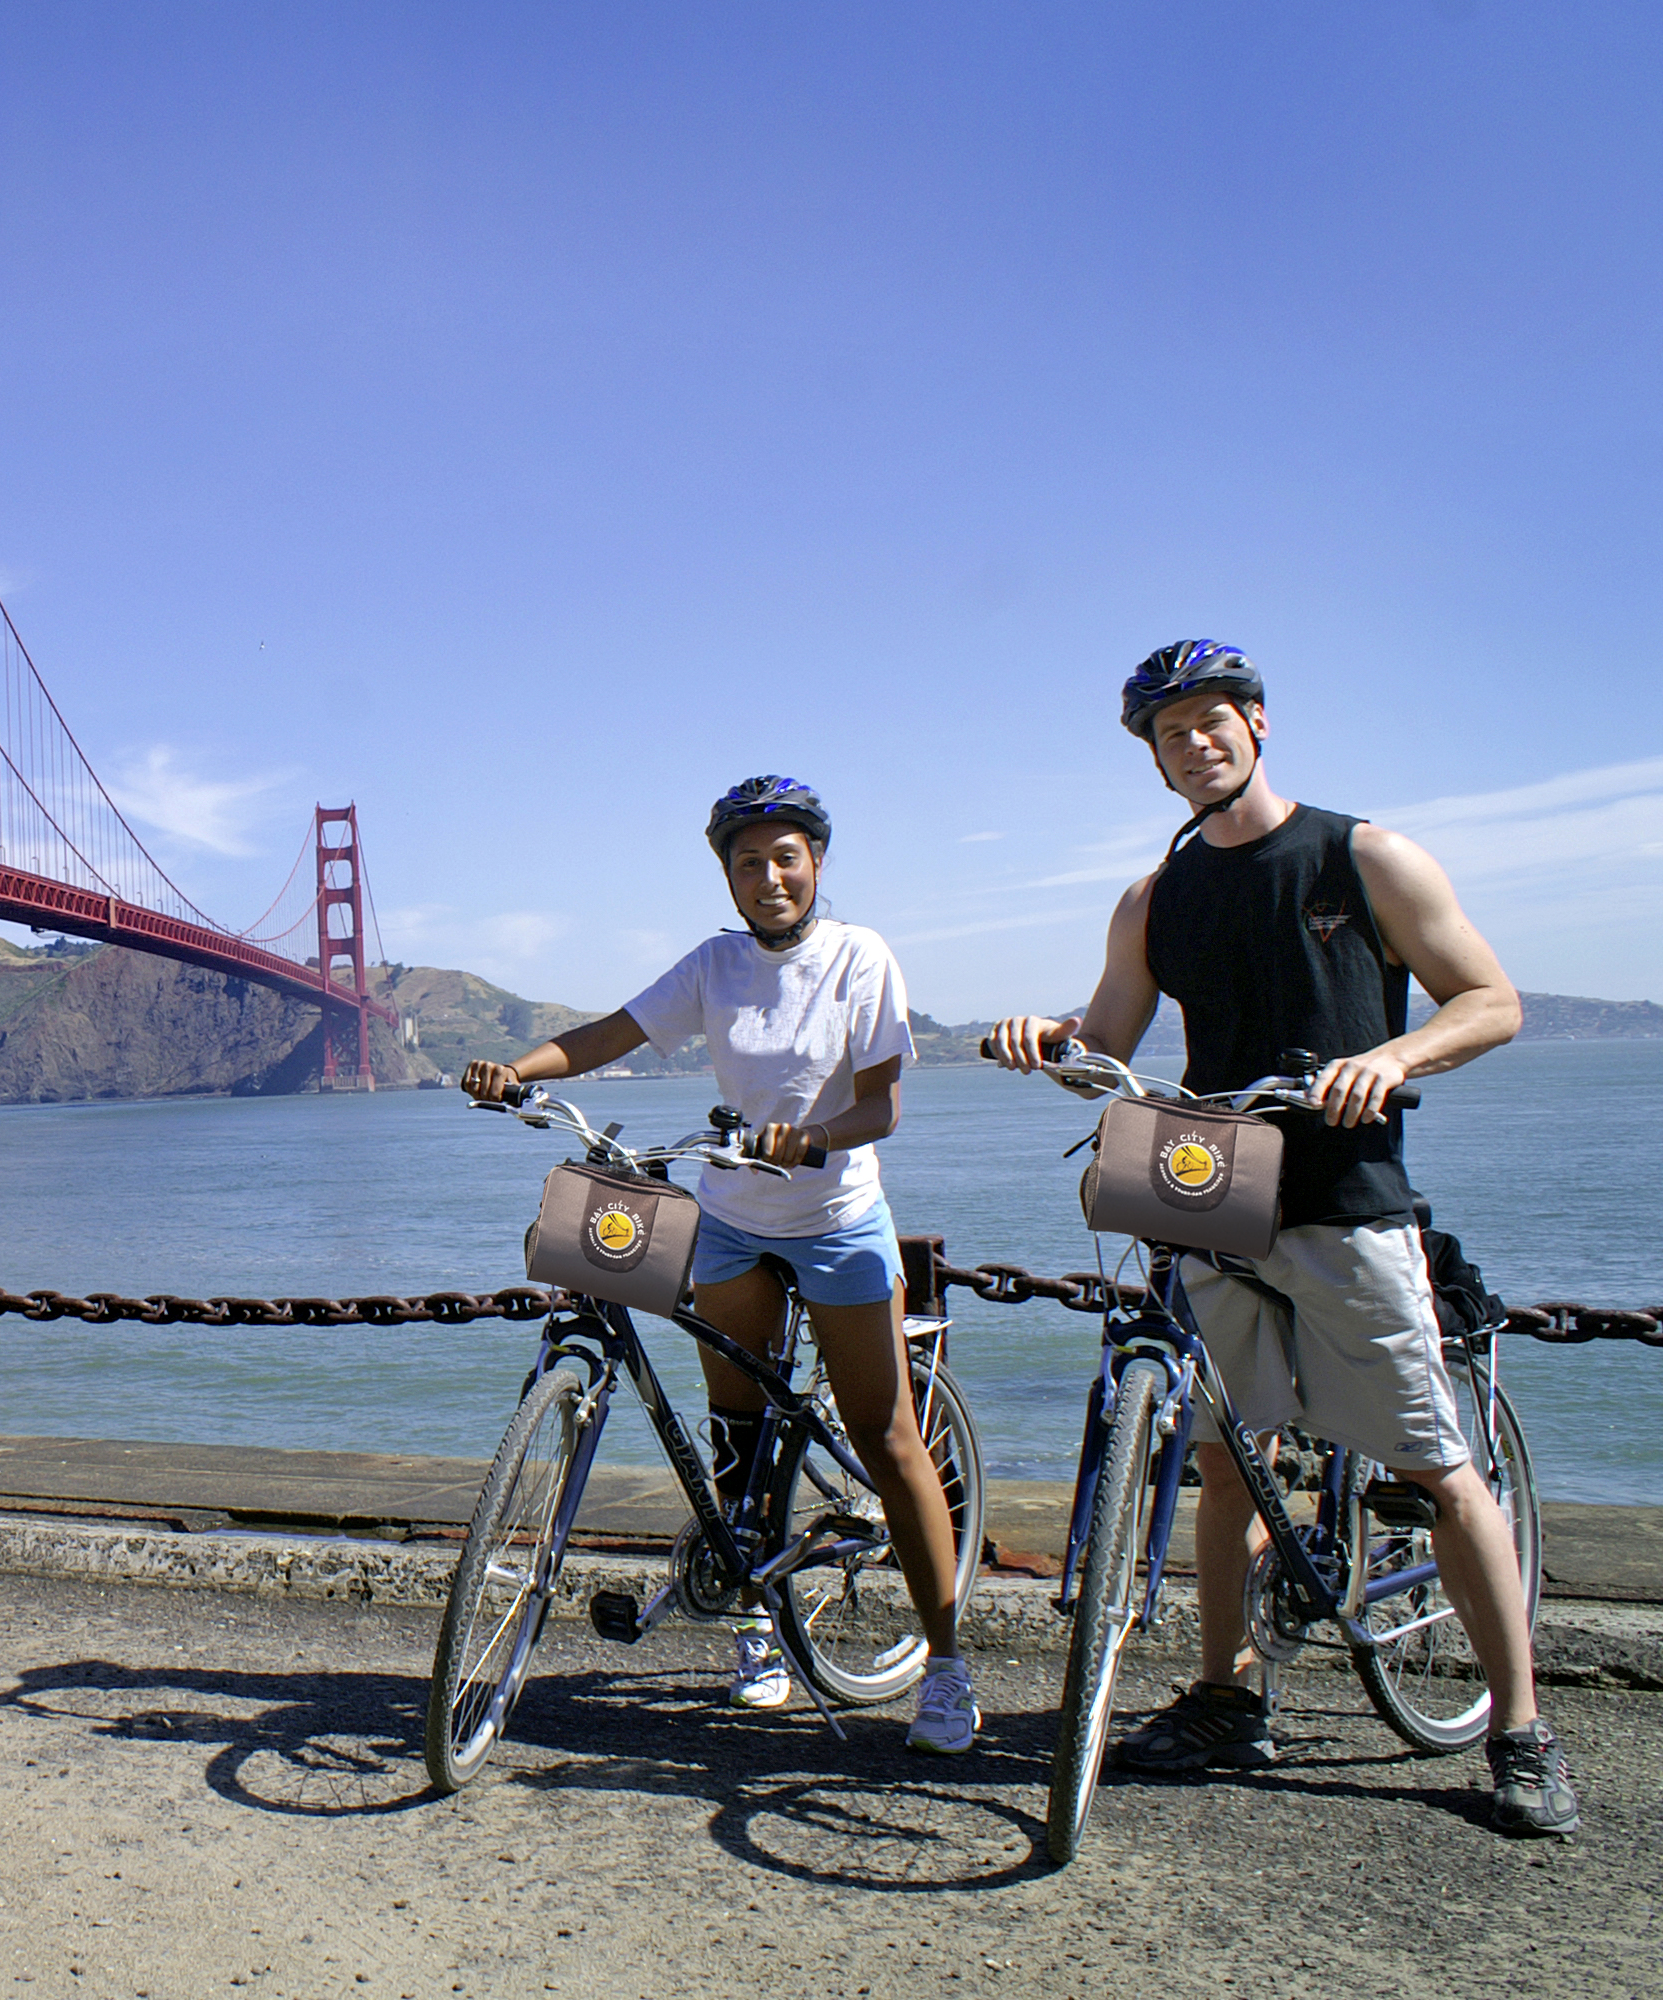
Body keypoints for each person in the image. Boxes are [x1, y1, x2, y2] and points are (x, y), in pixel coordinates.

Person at [987, 640, 1576, 1838]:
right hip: (1213, 1194)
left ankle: (1520, 1729)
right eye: (1168, 732)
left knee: (1431, 1460)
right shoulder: (1153, 895)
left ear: (1257, 723)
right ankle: (1226, 1695)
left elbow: (1489, 999)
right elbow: (1106, 1039)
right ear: (1151, 759)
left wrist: (1391, 1057)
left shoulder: (1361, 853)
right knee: (1222, 1457)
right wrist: (1047, 1040)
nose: (1192, 742)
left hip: (1345, 1195)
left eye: (1210, 720)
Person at [464, 777, 975, 1753]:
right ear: (728, 878)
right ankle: (756, 1628)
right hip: (734, 1221)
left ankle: (945, 1665)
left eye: (786, 856)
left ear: (815, 863)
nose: (769, 875)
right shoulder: (713, 965)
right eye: (749, 861)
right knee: (735, 1430)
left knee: (883, 1431)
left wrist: (809, 1136)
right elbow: (609, 1031)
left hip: (834, 1215)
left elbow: (879, 1109)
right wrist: (516, 1072)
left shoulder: (858, 956)